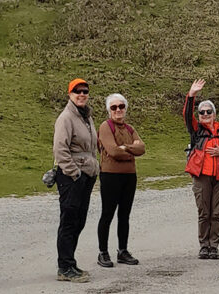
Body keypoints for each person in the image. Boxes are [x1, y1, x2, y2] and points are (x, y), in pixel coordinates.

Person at [53, 78, 100, 283]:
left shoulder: (86, 117)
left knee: (79, 220)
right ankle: (64, 267)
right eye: (77, 91)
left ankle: (70, 263)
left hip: (86, 175)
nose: (82, 94)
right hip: (71, 177)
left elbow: (91, 147)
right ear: (69, 94)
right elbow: (60, 150)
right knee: (69, 221)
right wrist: (74, 173)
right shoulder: (66, 118)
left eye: (85, 91)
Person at [96, 93, 145, 268]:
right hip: (110, 175)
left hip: (129, 176)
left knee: (124, 215)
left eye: (121, 106)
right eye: (114, 107)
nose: (118, 110)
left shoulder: (129, 128)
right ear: (109, 110)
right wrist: (131, 151)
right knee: (107, 214)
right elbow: (113, 151)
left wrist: (125, 147)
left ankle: (122, 251)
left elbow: (143, 148)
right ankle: (103, 252)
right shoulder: (105, 126)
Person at [182, 79, 219, 260]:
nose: (205, 114)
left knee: (216, 213)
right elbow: (187, 115)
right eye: (202, 112)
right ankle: (204, 246)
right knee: (204, 213)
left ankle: (214, 246)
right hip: (201, 176)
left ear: (214, 114)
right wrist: (191, 95)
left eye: (209, 111)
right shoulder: (196, 130)